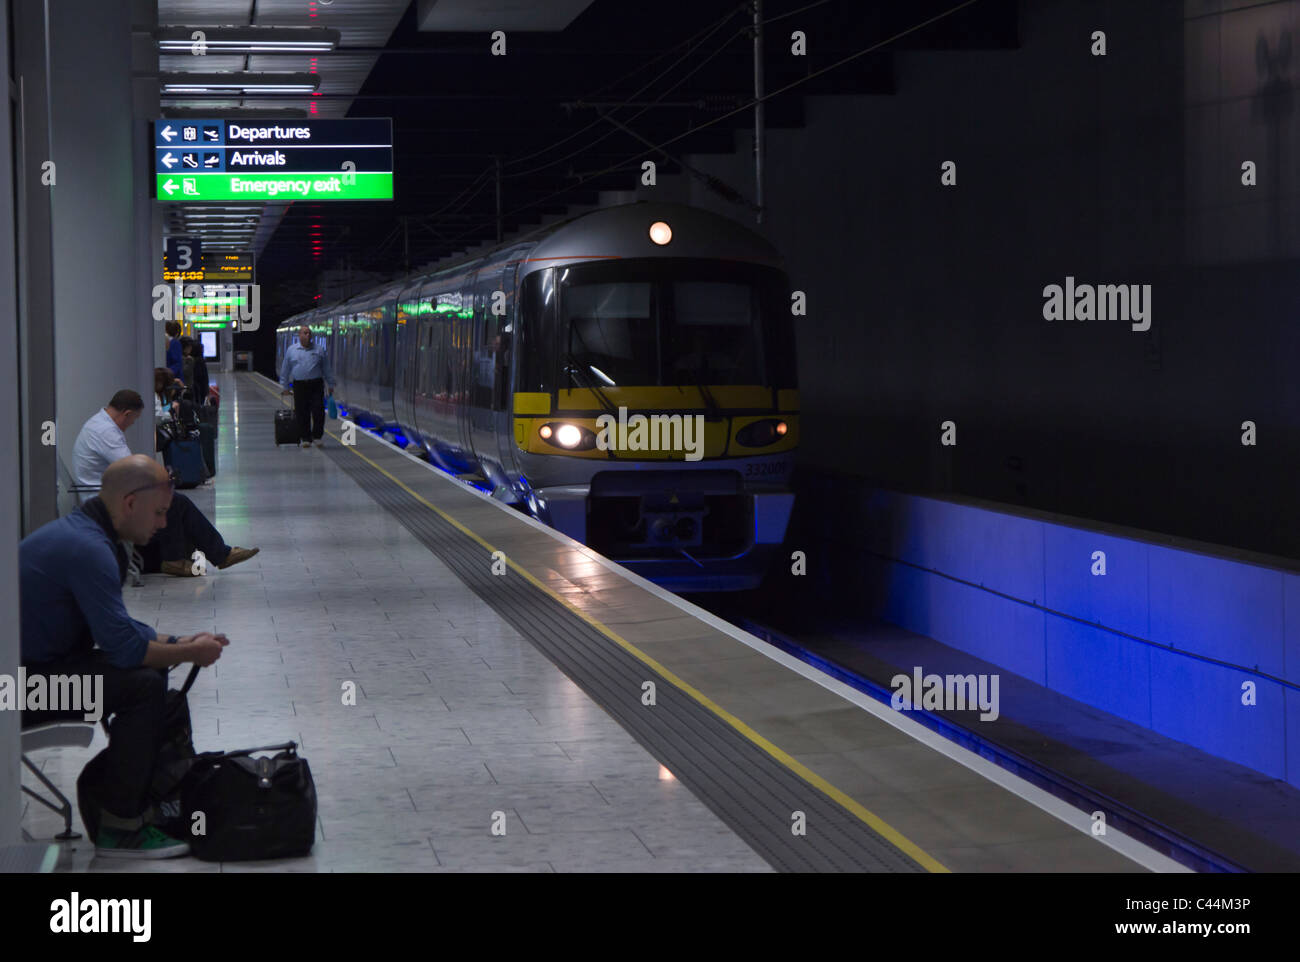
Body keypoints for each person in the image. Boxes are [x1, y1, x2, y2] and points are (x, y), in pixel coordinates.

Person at [21, 454, 231, 857]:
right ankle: (120, 826)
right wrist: (190, 653)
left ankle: (132, 803)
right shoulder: (89, 550)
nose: (164, 524)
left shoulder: (85, 536)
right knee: (142, 687)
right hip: (18, 690)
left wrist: (177, 643)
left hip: (33, 675)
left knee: (148, 676)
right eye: (159, 512)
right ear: (130, 503)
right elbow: (127, 649)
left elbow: (118, 629)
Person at [70, 390, 258, 577]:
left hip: (106, 494)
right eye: (133, 420)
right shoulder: (105, 431)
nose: (131, 424)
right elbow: (132, 467)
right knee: (174, 502)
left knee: (173, 503)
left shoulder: (99, 424)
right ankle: (199, 557)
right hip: (103, 499)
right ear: (126, 414)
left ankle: (206, 556)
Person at [279, 324, 335, 449]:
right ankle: (305, 437)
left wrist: (330, 384)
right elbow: (285, 369)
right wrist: (285, 387)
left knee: (318, 410)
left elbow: (326, 368)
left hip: (316, 384)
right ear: (299, 335)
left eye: (309, 333)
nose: (308, 335)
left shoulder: (319, 349)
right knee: (301, 411)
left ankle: (317, 436)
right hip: (299, 385)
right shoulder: (291, 350)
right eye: (305, 333)